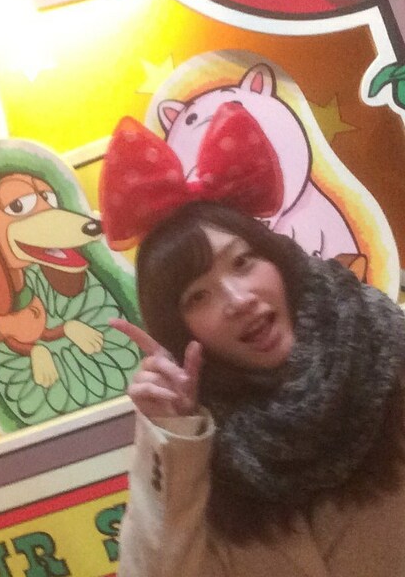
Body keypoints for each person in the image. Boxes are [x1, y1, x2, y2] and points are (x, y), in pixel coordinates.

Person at [99, 114, 405, 576]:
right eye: (198, 296)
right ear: (179, 331)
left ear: (279, 260)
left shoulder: (383, 351)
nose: (238, 300)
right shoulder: (194, 446)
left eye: (242, 262)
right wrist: (173, 435)